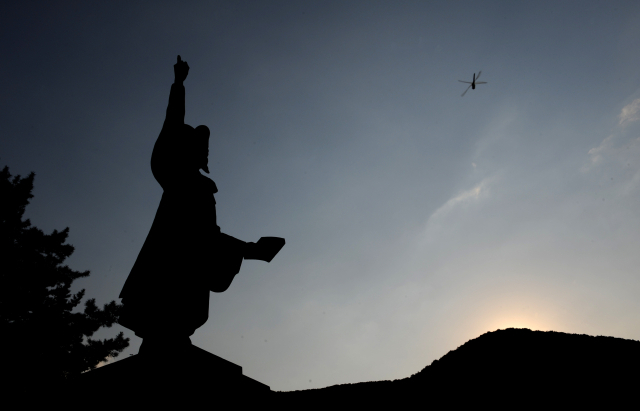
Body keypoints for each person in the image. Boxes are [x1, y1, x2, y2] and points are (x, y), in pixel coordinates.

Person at [118, 56, 279, 354]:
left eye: (201, 148)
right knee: (166, 310)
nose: (200, 152)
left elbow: (207, 235)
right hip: (169, 261)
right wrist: (179, 85)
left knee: (187, 311)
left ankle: (173, 340)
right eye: (192, 146)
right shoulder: (176, 179)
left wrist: (249, 249)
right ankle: (162, 342)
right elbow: (172, 121)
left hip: (191, 264)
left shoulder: (204, 189)